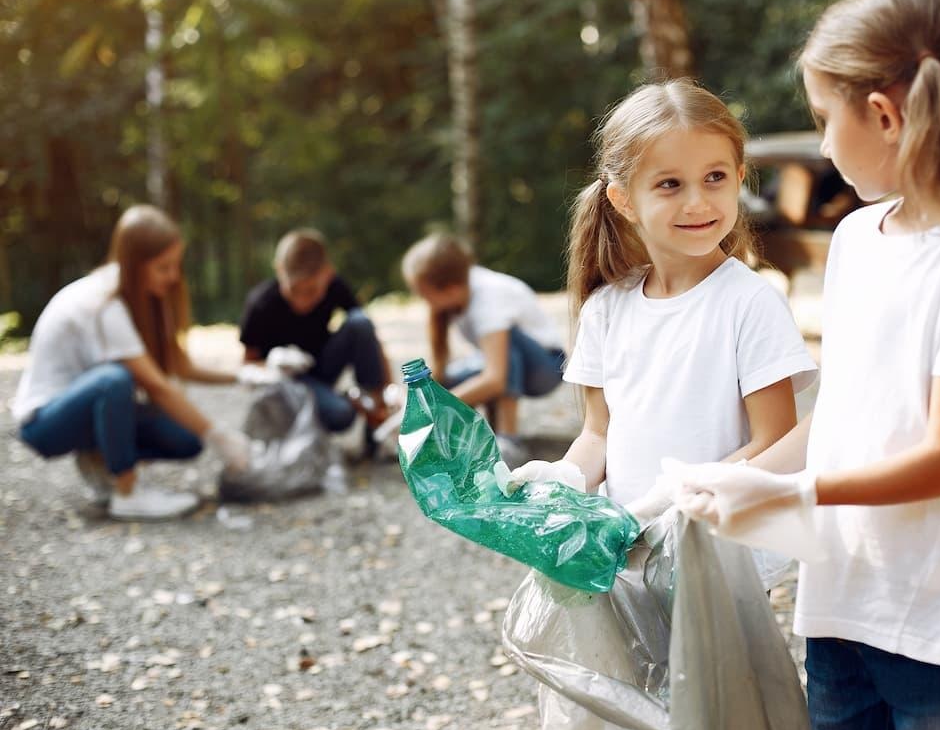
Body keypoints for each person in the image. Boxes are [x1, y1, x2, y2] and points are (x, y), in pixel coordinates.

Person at [670, 0, 940, 730]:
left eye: (821, 117)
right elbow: (842, 411)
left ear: (881, 115)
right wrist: (728, 476)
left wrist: (789, 493)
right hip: (841, 599)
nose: (820, 142)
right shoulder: (854, 239)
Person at [509, 78, 818, 730]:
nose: (699, 202)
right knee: (635, 724)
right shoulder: (606, 309)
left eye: (714, 178)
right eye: (670, 184)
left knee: (718, 721)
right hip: (624, 555)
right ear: (624, 200)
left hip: (713, 555)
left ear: (741, 178)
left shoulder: (748, 303)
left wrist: (675, 501)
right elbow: (599, 433)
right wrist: (565, 476)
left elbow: (779, 441)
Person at [12, 205, 251, 521]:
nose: (173, 276)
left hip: (83, 409)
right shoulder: (104, 303)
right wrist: (219, 434)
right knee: (115, 380)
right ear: (134, 265)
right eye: (163, 267)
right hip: (45, 421)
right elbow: (156, 385)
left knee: (186, 440)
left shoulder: (142, 300)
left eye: (176, 266)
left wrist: (241, 375)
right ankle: (127, 492)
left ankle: (99, 459)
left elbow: (179, 368)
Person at [401, 233, 567, 463]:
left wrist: (436, 409)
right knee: (440, 386)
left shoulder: (489, 299)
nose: (424, 301)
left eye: (425, 295)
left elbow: (495, 378)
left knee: (505, 343)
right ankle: (477, 435)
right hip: (501, 364)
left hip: (545, 367)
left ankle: (509, 438)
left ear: (450, 289)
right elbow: (445, 371)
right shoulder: (458, 294)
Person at [239, 228, 392, 455]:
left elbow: (369, 338)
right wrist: (275, 366)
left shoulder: (335, 286)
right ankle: (348, 401)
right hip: (291, 382)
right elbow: (247, 365)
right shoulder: (261, 303)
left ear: (328, 274)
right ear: (280, 271)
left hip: (322, 365)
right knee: (341, 414)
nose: (302, 301)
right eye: (294, 290)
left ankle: (377, 420)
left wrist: (386, 391)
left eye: (311, 291)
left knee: (360, 322)